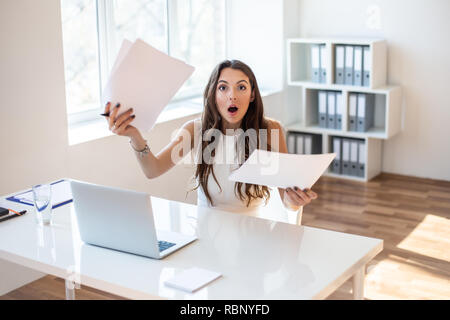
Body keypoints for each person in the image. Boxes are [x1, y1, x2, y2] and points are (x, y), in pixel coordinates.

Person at [103, 59, 318, 216]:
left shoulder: (271, 130)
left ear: (252, 94)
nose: (232, 95)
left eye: (241, 87)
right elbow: (153, 170)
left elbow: (287, 202)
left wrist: (294, 201)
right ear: (213, 95)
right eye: (223, 88)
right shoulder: (195, 130)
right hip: (205, 232)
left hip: (253, 234)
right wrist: (134, 135)